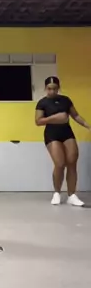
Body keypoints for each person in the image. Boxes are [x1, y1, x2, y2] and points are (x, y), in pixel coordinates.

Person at [35, 76, 90, 206]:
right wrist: (56, 118)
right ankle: (57, 193)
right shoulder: (42, 103)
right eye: (49, 89)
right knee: (59, 164)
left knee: (72, 161)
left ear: (58, 88)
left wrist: (87, 125)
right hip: (52, 134)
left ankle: (72, 195)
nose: (52, 91)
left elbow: (75, 115)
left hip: (66, 133)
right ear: (45, 88)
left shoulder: (65, 100)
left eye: (54, 89)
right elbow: (38, 121)